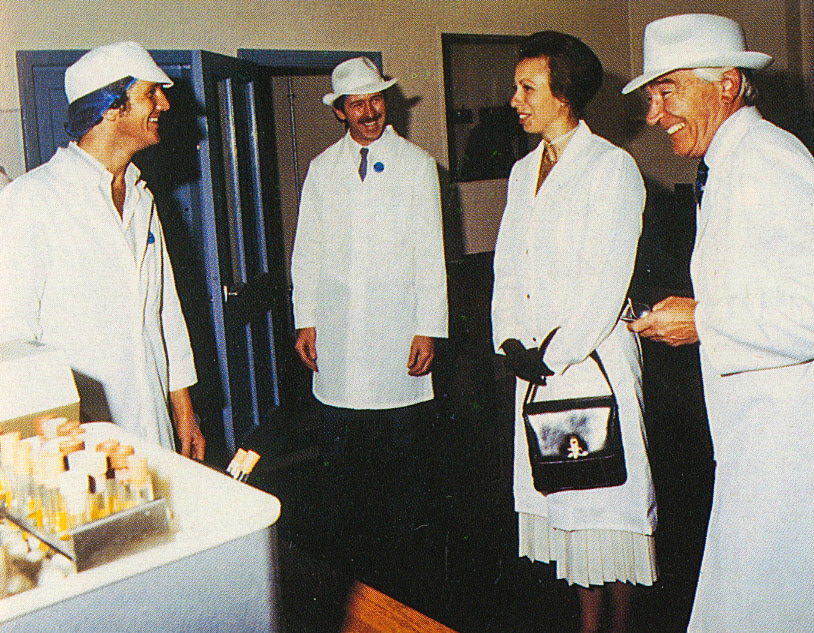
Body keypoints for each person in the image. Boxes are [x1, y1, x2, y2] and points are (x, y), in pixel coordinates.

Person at [623, 13, 814, 631]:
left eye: (667, 90)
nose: (655, 114)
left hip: (787, 453)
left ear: (727, 83)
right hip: (755, 447)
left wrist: (706, 322)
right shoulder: (730, 163)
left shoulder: (768, 161)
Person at [492, 31, 656, 633]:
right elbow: (506, 265)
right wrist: (510, 341)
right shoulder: (521, 172)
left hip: (590, 361)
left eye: (527, 88)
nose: (515, 100)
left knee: (607, 505)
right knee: (566, 507)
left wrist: (552, 355)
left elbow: (606, 283)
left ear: (565, 96)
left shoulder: (612, 168)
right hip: (533, 366)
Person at [0, 42, 204, 459]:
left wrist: (184, 410)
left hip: (153, 421)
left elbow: (163, 312)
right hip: (77, 441)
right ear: (111, 108)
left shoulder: (141, 196)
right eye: (151, 93)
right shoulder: (30, 200)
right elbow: (12, 341)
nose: (164, 104)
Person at [290, 57, 447, 562]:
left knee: (406, 468)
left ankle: (408, 571)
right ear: (340, 112)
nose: (369, 111)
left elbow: (430, 252)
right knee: (341, 465)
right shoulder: (321, 169)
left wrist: (428, 328)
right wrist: (305, 319)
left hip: (397, 339)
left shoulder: (417, 164)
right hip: (338, 337)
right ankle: (350, 568)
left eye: (375, 100)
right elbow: (306, 252)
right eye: (356, 104)